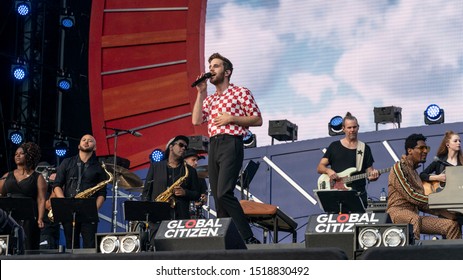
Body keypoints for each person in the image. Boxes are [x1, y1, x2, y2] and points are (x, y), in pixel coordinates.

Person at [192, 52, 263, 244]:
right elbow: (196, 120)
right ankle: (224, 241)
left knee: (224, 192)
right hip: (213, 144)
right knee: (217, 197)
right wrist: (200, 92)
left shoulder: (241, 92)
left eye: (216, 66)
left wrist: (232, 118)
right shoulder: (210, 99)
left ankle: (248, 237)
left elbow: (257, 119)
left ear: (227, 71)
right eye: (210, 66)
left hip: (231, 142)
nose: (211, 70)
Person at [387, 133, 461, 240]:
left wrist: (447, 213)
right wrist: (439, 201)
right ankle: (416, 255)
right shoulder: (399, 167)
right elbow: (411, 196)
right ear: (410, 151)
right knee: (414, 219)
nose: (425, 151)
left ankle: (456, 256)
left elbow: (422, 205)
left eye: (426, 148)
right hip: (397, 213)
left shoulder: (415, 173)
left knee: (451, 225)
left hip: (414, 215)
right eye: (421, 148)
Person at [50, 134, 108, 249]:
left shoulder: (99, 167)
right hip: (69, 206)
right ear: (78, 145)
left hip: (89, 208)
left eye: (90, 141)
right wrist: (63, 203)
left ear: (95, 147)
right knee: (71, 244)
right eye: (84, 140)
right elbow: (57, 185)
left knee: (90, 246)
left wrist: (94, 209)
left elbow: (102, 193)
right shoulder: (67, 162)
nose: (86, 142)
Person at [317, 112, 380, 207]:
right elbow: (320, 167)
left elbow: (369, 173)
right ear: (343, 128)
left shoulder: (364, 148)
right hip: (337, 195)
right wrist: (328, 171)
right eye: (349, 128)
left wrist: (373, 177)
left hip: (358, 195)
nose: (352, 130)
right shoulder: (334, 146)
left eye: (354, 127)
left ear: (358, 127)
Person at [0, 142, 47, 250]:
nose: (17, 155)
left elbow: (41, 199)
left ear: (29, 156)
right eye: (16, 153)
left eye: (21, 153)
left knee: (27, 247)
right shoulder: (7, 176)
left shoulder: (37, 177)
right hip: (9, 217)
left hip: (29, 218)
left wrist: (40, 218)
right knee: (7, 247)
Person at [142, 135, 201, 219]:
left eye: (185, 147)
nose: (184, 148)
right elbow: (146, 191)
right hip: (158, 216)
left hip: (180, 217)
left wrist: (185, 192)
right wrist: (147, 212)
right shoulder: (156, 167)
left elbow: (197, 194)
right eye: (181, 145)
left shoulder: (190, 170)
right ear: (171, 147)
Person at [183, 148, 208, 218]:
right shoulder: (178, 175)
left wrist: (202, 200)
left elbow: (204, 196)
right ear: (184, 161)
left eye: (197, 160)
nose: (196, 163)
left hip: (195, 211)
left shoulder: (200, 177)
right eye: (193, 160)